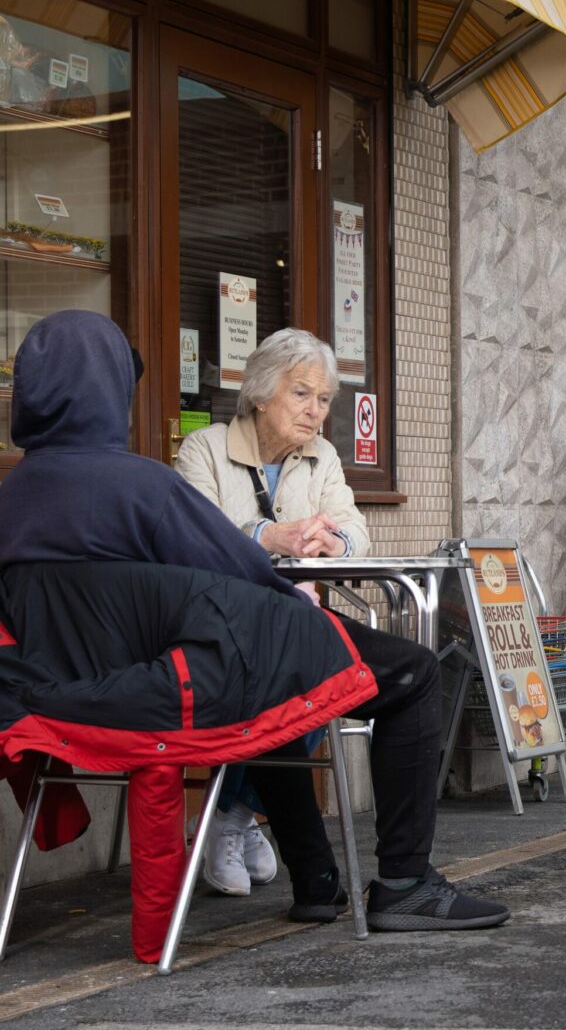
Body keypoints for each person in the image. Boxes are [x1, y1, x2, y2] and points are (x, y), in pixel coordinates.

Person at [0, 311, 509, 941]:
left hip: (75, 697)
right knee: (410, 669)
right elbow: (241, 570)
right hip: (185, 688)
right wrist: (297, 612)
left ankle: (317, 882)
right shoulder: (143, 486)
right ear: (110, 393)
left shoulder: (10, 497)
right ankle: (405, 884)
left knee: (262, 670)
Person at [177, 328, 369, 898]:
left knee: (329, 671)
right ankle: (236, 815)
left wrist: (337, 544)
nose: (316, 412)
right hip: (216, 626)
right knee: (285, 671)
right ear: (261, 393)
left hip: (292, 625)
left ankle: (230, 813)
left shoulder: (323, 457)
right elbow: (194, 536)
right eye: (302, 394)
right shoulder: (204, 449)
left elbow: (356, 527)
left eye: (325, 399)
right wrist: (268, 534)